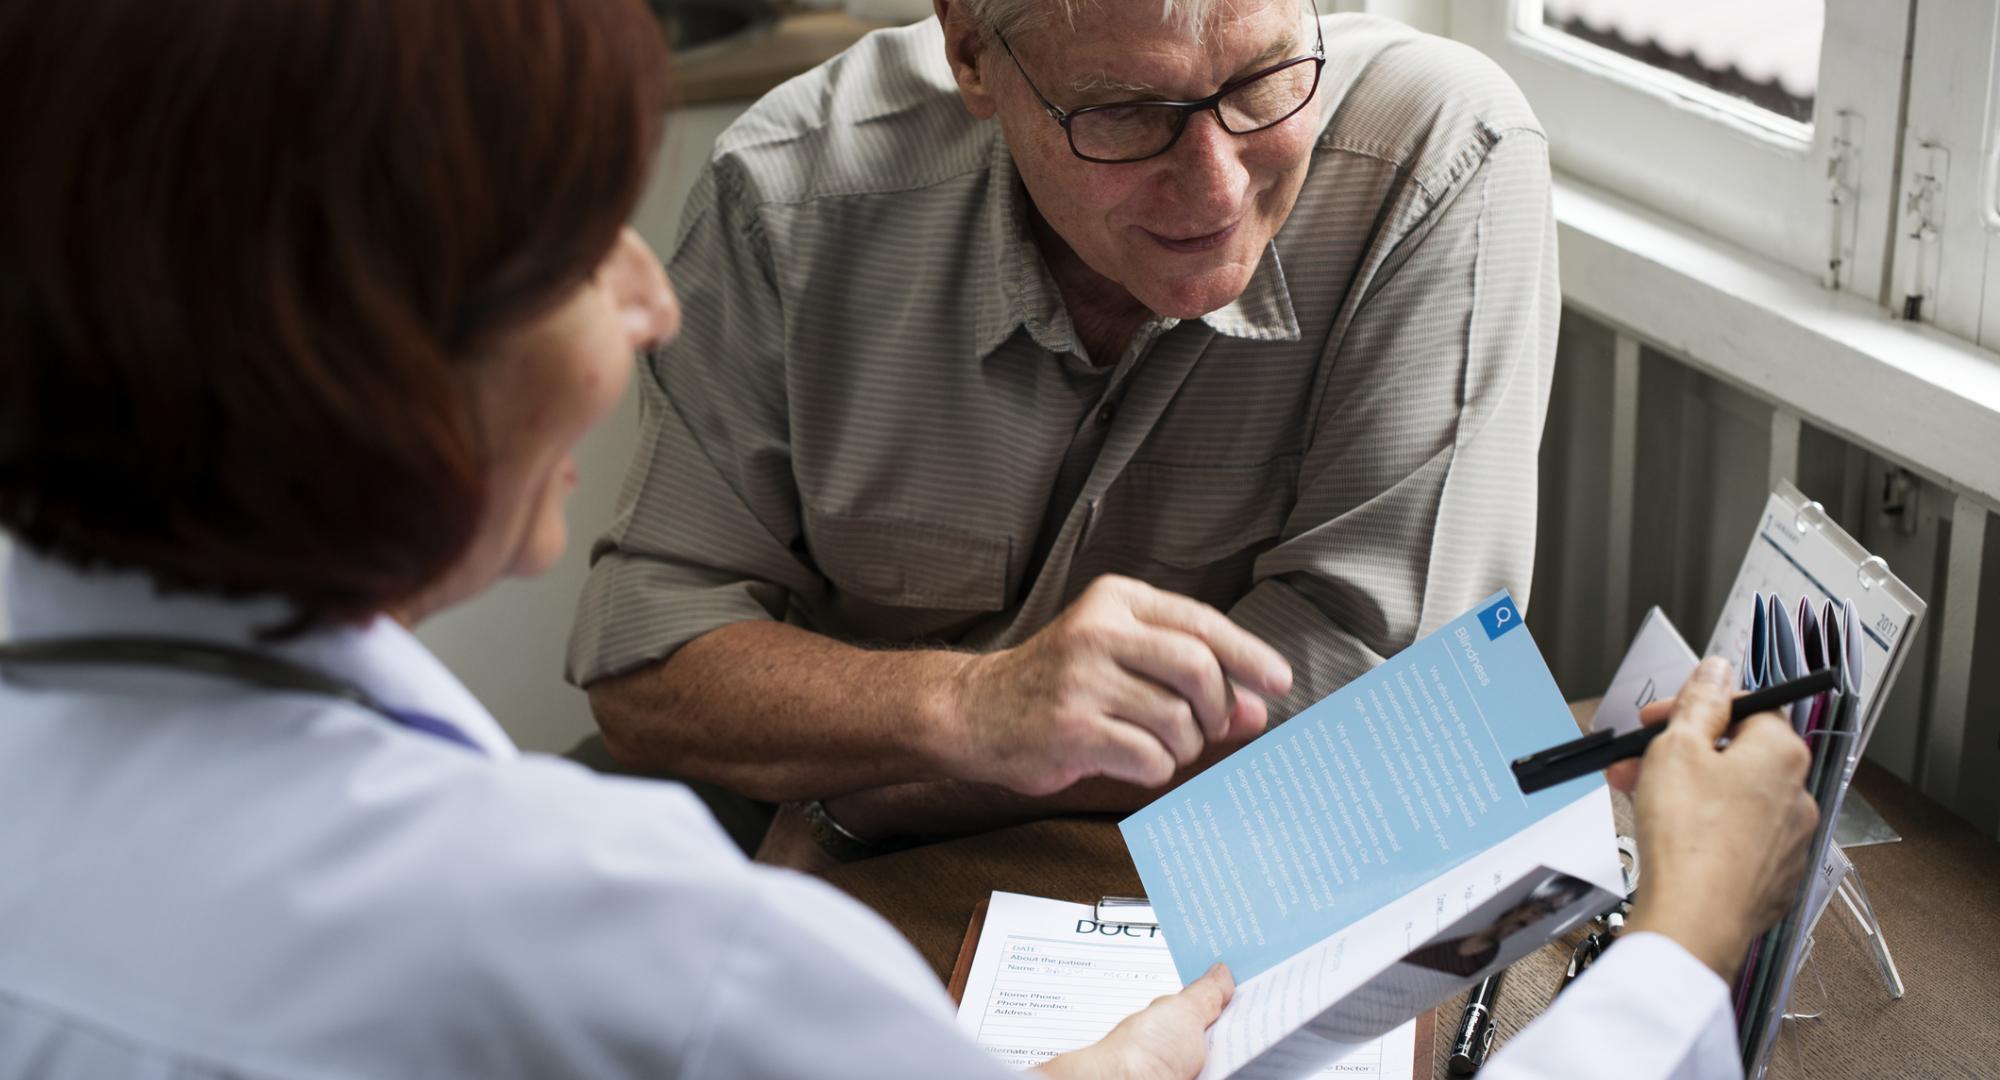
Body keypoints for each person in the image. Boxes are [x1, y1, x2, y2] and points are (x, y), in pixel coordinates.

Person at [0, 1, 1816, 1077]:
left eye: (1263, 79)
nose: (645, 304)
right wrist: (1680, 940)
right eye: (569, 247)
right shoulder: (651, 954)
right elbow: (654, 698)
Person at [565, 0, 1561, 861]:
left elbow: (1390, 699)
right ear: (968, 51)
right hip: (791, 843)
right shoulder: (791, 193)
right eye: (1124, 113)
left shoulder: (1437, 154)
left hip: (1175, 848)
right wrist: (967, 709)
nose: (1216, 192)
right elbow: (644, 658)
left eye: (1262, 80)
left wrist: (878, 797)